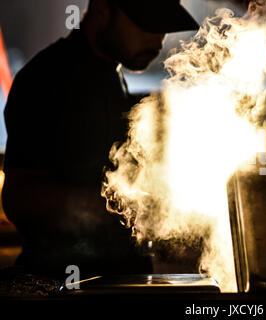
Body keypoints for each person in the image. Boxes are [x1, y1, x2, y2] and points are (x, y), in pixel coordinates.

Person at [1, 0, 198, 279]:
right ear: (103, 8)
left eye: (164, 28)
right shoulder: (45, 78)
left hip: (121, 280)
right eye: (147, 25)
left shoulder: (111, 75)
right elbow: (20, 200)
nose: (158, 39)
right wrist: (124, 206)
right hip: (66, 285)